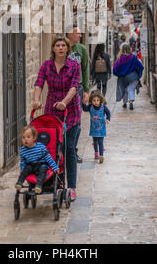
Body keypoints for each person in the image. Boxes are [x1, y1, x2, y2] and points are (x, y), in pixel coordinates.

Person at [33, 36, 81, 201]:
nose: (60, 48)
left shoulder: (74, 65)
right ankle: (57, 182)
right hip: (52, 112)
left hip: (71, 112)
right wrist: (36, 100)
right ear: (53, 49)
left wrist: (64, 102)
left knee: (69, 149)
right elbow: (39, 83)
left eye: (63, 45)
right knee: (53, 149)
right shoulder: (46, 65)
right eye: (57, 45)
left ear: (67, 49)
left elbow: (74, 87)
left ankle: (72, 186)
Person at [66, 25, 90, 164]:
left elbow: (85, 69)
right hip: (64, 88)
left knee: (77, 122)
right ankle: (64, 151)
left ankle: (73, 151)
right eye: (77, 33)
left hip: (78, 88)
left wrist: (86, 90)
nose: (80, 35)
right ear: (69, 34)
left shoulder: (82, 49)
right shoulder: (62, 47)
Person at [15, 126, 59, 194]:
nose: (25, 139)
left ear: (34, 138)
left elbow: (48, 158)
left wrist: (55, 167)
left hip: (41, 165)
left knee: (43, 171)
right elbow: (23, 161)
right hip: (31, 165)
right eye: (23, 137)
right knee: (25, 170)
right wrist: (22, 168)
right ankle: (20, 182)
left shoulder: (41, 147)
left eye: (28, 137)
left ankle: (38, 185)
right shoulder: (23, 150)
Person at [82, 90, 111, 163]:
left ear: (100, 100)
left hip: (101, 129)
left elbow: (108, 113)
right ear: (91, 100)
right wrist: (83, 103)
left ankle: (101, 155)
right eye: (94, 100)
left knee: (101, 142)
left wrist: (108, 119)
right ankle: (96, 153)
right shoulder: (90, 107)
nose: (96, 102)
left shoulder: (103, 107)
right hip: (94, 128)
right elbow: (85, 109)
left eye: (98, 100)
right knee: (95, 141)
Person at [113, 43, 144, 110]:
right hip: (133, 77)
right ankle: (131, 102)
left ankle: (124, 103)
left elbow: (114, 69)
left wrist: (119, 74)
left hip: (123, 78)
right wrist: (139, 74)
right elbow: (140, 66)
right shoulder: (133, 57)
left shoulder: (120, 59)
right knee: (131, 88)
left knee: (124, 89)